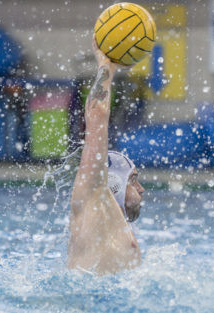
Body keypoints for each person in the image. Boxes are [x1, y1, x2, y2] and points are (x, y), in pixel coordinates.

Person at [67, 39, 145, 275]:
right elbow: (97, 114)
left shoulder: (117, 226)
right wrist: (106, 65)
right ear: (114, 184)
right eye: (133, 180)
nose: (141, 189)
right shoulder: (93, 198)